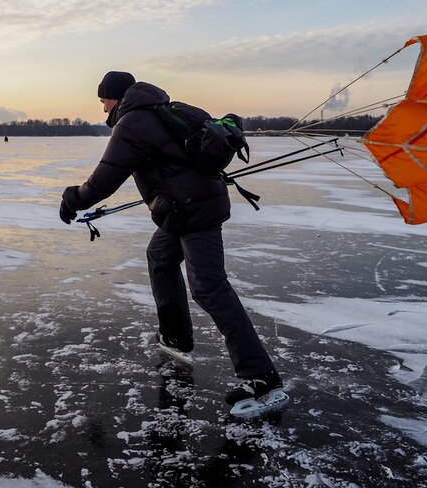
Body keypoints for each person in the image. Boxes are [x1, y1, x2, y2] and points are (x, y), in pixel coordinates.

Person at [59, 71, 283, 408]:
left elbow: (104, 179)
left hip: (195, 212)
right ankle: (175, 335)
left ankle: (261, 377)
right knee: (160, 256)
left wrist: (73, 198)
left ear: (115, 97)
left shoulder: (132, 123)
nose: (103, 107)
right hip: (182, 210)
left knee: (209, 287)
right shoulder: (163, 110)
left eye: (103, 100)